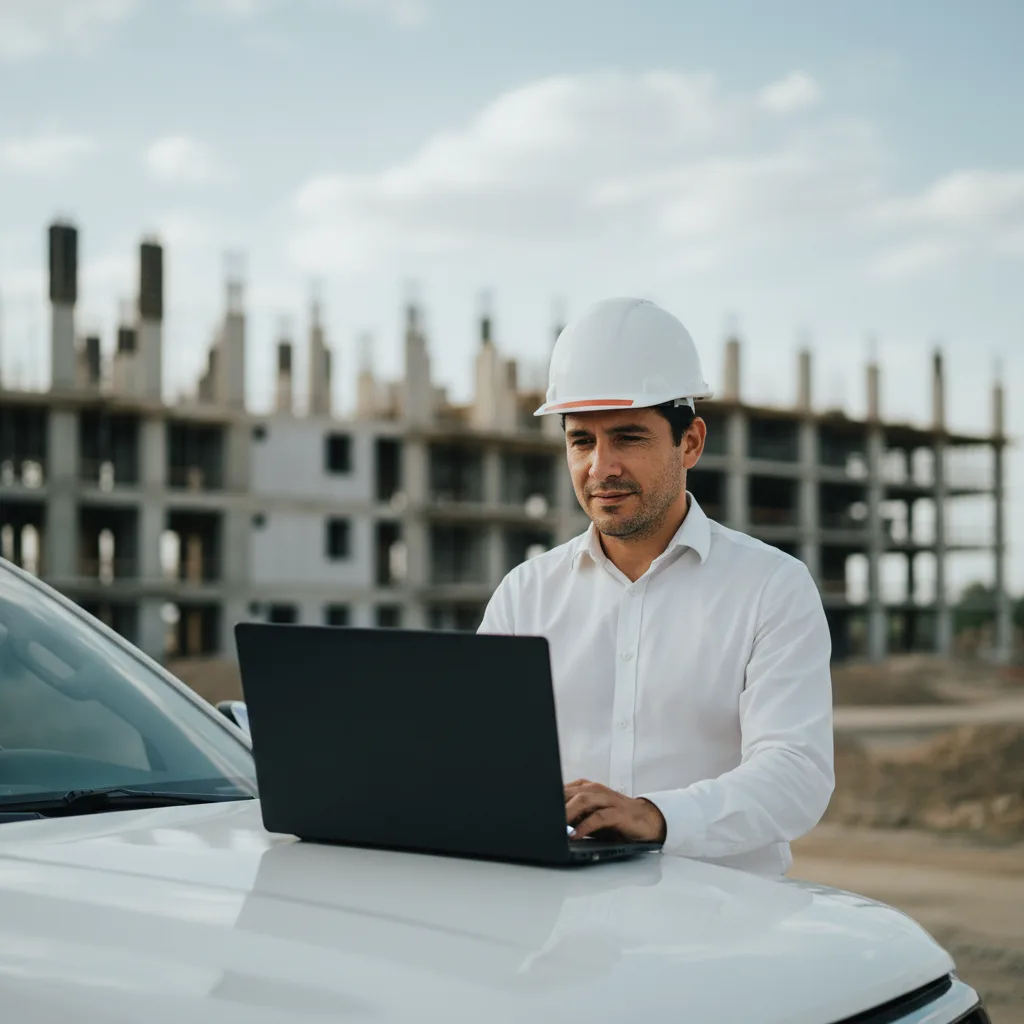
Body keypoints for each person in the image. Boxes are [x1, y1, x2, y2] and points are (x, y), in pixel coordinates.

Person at [478, 297, 834, 876]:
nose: (601, 468)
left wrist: (658, 817)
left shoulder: (772, 587)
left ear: (690, 442)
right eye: (582, 441)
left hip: (725, 914)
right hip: (567, 914)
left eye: (628, 438)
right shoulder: (524, 595)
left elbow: (797, 774)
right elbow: (481, 763)